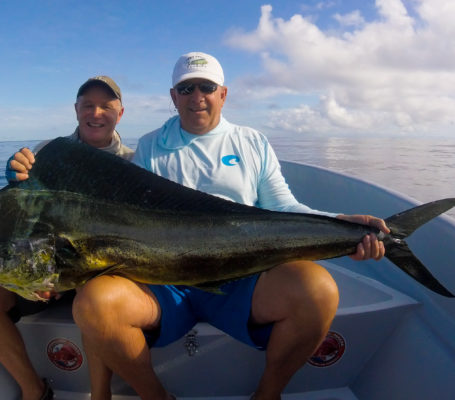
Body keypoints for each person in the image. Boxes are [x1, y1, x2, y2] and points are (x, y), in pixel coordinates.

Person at [71, 52, 389, 400]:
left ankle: (267, 394)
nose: (197, 97)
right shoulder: (150, 147)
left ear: (223, 93)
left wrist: (342, 224)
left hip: (243, 275)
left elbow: (284, 208)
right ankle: (155, 396)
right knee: (93, 303)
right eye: (186, 88)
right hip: (165, 282)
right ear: (173, 97)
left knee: (319, 291)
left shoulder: (252, 142)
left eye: (206, 87)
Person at [0, 75, 133, 400]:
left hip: (99, 274)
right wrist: (15, 177)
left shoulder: (133, 163)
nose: (96, 113)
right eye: (88, 105)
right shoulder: (46, 154)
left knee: (94, 294)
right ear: (76, 110)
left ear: (120, 113)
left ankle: (101, 396)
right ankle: (34, 391)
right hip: (45, 269)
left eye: (106, 106)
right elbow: (23, 219)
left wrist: (67, 275)